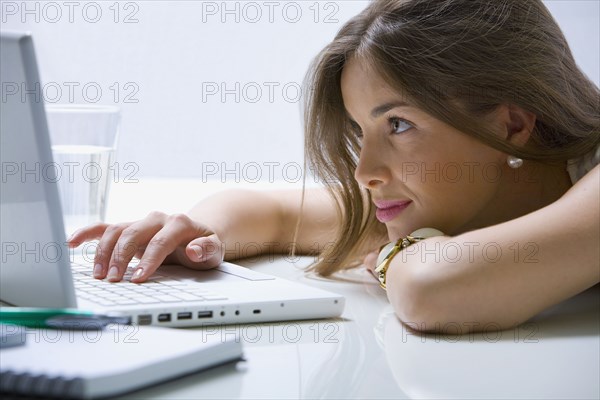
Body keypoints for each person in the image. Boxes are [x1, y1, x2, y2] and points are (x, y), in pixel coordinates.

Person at [69, 0, 599, 332]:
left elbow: (433, 290)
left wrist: (396, 256)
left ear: (511, 124)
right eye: (359, 131)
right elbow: (272, 212)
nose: (365, 169)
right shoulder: (451, 195)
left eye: (398, 125)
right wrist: (199, 232)